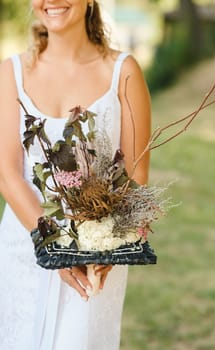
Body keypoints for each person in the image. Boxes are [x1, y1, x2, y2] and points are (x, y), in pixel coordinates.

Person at [0, 1, 151, 349]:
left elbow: (136, 171)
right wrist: (54, 249)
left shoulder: (123, 72)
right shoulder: (11, 73)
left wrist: (104, 249)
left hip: (95, 257)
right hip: (23, 246)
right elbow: (9, 174)